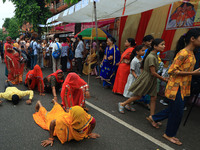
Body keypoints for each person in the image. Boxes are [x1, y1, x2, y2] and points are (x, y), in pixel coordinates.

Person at [146, 28, 200, 145]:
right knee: (178, 112)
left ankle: (154, 118)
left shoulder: (191, 52)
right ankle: (169, 134)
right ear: (192, 39)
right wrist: (193, 73)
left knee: (174, 109)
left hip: (183, 86)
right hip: (176, 87)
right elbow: (172, 70)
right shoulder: (183, 53)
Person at [118, 39, 167, 115]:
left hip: (151, 79)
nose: (164, 46)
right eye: (162, 44)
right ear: (155, 46)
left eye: (164, 44)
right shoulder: (151, 57)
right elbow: (153, 72)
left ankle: (152, 116)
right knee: (138, 96)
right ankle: (123, 104)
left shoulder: (154, 56)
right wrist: (163, 79)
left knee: (153, 98)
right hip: (147, 78)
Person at [33, 100, 100, 147]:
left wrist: (89, 133)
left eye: (71, 113)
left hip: (63, 115)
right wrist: (50, 138)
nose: (69, 113)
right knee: (46, 115)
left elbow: (94, 122)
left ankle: (54, 102)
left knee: (59, 109)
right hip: (60, 116)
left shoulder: (86, 117)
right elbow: (52, 122)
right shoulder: (85, 117)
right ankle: (39, 103)